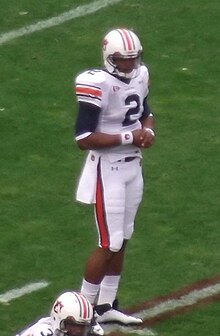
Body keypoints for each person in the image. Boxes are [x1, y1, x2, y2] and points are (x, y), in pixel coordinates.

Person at [74, 28, 155, 334]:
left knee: (123, 238)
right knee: (108, 242)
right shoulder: (96, 83)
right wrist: (129, 136)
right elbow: (84, 138)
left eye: (133, 59)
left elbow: (145, 111)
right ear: (110, 59)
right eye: (123, 60)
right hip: (106, 169)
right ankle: (83, 310)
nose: (130, 65)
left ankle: (107, 307)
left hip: (134, 166)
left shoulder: (140, 74)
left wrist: (149, 130)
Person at [16, 291, 94, 336]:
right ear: (58, 318)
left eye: (82, 326)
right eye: (74, 325)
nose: (78, 331)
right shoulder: (44, 331)